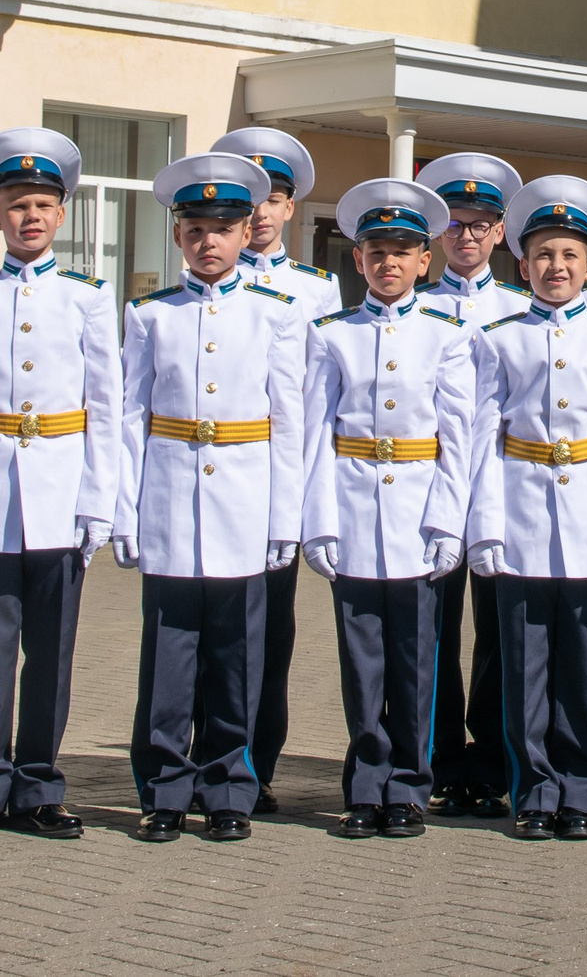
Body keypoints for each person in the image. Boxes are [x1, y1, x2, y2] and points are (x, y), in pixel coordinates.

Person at [0, 128, 120, 840]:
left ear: (62, 215)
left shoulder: (90, 299)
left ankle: (38, 784)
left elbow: (106, 408)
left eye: (41, 204)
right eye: (14, 205)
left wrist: (102, 501)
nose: (29, 217)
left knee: (53, 653)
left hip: (62, 492)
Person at [118, 152, 309, 843]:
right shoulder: (149, 316)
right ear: (178, 237)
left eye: (223, 229)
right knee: (170, 655)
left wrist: (285, 516)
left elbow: (289, 424)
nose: (209, 241)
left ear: (243, 233)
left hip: (245, 505)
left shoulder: (277, 316)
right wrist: (123, 510)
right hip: (169, 500)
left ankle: (231, 784)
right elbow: (127, 418)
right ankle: (166, 787)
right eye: (196, 229)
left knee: (237, 657)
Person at [303, 177, 475, 838]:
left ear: (424, 260)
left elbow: (458, 438)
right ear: (358, 259)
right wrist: (318, 522)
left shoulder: (447, 335)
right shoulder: (331, 335)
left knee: (415, 661)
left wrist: (446, 520)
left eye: (403, 250)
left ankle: (408, 786)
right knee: (361, 660)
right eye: (376, 250)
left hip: (416, 514)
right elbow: (314, 434)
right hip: (351, 509)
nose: (389, 263)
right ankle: (365, 784)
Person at [465, 176, 587, 840]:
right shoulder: (500, 336)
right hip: (522, 514)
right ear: (522, 262)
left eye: (568, 255)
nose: (555, 267)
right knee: (525, 665)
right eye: (542, 255)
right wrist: (484, 527)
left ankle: (584, 788)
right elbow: (483, 439)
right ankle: (534, 789)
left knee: (586, 668)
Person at [208, 125, 342, 815]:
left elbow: (320, 407)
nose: (260, 212)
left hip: (274, 487)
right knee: (204, 634)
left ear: (291, 209)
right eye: (249, 199)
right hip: (209, 484)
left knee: (269, 636)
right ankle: (204, 759)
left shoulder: (318, 291)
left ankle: (256, 766)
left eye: (275, 198)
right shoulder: (200, 285)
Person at [416, 151, 527, 819]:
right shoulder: (417, 306)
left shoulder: (518, 308)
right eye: (454, 223)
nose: (466, 235)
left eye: (479, 224)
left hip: (502, 490)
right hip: (428, 487)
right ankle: (436, 760)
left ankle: (489, 765)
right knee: (432, 630)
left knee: (496, 633)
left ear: (498, 234)